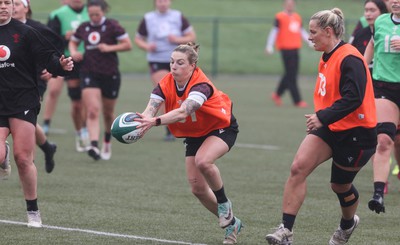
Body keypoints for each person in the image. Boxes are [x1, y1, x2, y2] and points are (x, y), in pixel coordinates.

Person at [265, 8, 377, 245]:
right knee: (298, 168)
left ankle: (347, 224)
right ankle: (286, 229)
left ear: (328, 31)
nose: (309, 36)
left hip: (357, 133)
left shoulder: (350, 58)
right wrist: (324, 119)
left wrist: (322, 116)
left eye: (313, 32)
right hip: (331, 126)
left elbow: (353, 98)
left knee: (339, 185)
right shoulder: (326, 55)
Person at [134, 42, 243, 244]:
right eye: (172, 62)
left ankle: (224, 203)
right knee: (197, 189)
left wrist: (155, 122)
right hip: (195, 133)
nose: (174, 66)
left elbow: (184, 111)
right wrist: (139, 124)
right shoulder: (164, 84)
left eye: (180, 63)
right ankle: (232, 224)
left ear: (192, 66)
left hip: (221, 127)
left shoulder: (201, 85)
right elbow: (150, 110)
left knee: (203, 161)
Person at [0, 0, 74, 227]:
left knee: (23, 159)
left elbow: (48, 59)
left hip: (23, 98)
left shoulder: (26, 33)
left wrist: (61, 65)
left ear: (13, 7)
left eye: (7, 2)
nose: (3, 6)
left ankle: (33, 211)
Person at [69, 0, 132, 160]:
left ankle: (107, 142)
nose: (94, 17)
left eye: (97, 14)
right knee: (92, 110)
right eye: (91, 15)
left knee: (108, 113)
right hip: (89, 72)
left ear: (103, 12)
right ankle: (94, 146)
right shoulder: (84, 27)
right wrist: (74, 52)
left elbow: (127, 44)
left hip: (110, 74)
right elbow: (73, 41)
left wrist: (109, 47)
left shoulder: (112, 26)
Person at [134, 0, 196, 141]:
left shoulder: (177, 16)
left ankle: (183, 123)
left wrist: (178, 39)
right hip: (157, 60)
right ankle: (169, 128)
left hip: (177, 60)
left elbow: (191, 36)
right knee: (165, 92)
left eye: (165, 0)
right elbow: (138, 39)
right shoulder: (148, 18)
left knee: (181, 94)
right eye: (159, 1)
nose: (162, 3)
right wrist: (147, 46)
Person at [12, 0, 62, 173]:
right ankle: (47, 147)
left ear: (27, 7)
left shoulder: (38, 29)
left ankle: (27, 161)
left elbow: (57, 49)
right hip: (9, 80)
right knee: (24, 118)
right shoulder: (4, 29)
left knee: (25, 117)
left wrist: (52, 70)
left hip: (34, 81)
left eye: (18, 3)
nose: (14, 7)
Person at [364, 0, 400, 214]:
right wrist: (360, 67)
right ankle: (378, 193)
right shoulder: (381, 22)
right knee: (384, 139)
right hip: (384, 87)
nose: (395, 1)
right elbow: (372, 44)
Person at [44, 0, 90, 152]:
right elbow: (49, 38)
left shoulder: (92, 11)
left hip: (88, 61)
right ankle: (45, 124)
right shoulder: (58, 14)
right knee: (54, 91)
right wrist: (65, 37)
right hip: (65, 60)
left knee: (86, 100)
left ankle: (85, 132)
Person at [265, 0, 310, 108]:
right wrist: (269, 45)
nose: (290, 5)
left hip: (295, 49)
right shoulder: (280, 17)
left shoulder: (297, 17)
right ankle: (297, 100)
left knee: (290, 74)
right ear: (284, 5)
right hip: (285, 50)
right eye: (288, 3)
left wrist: (310, 41)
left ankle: (277, 94)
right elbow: (274, 32)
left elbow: (301, 31)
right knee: (291, 75)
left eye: (292, 3)